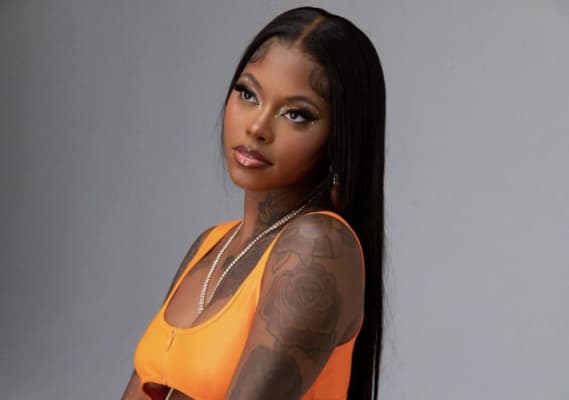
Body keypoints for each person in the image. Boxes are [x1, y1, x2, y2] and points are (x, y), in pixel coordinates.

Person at [121, 6, 385, 400]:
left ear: (338, 139)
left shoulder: (317, 247)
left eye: (296, 114)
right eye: (248, 94)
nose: (258, 127)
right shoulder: (211, 245)